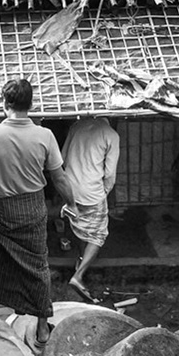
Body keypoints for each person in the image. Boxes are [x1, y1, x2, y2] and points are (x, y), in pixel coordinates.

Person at [0, 77, 73, 349]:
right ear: (31, 105)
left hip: (0, 209)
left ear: (5, 104)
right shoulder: (45, 135)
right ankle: (41, 327)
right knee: (37, 266)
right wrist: (71, 202)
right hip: (33, 210)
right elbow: (59, 178)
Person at [59, 114, 120, 300]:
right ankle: (78, 276)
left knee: (79, 226)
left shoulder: (76, 126)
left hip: (70, 188)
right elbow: (110, 173)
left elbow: (62, 157)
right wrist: (105, 192)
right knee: (98, 234)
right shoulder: (111, 135)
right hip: (92, 191)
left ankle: (80, 261)